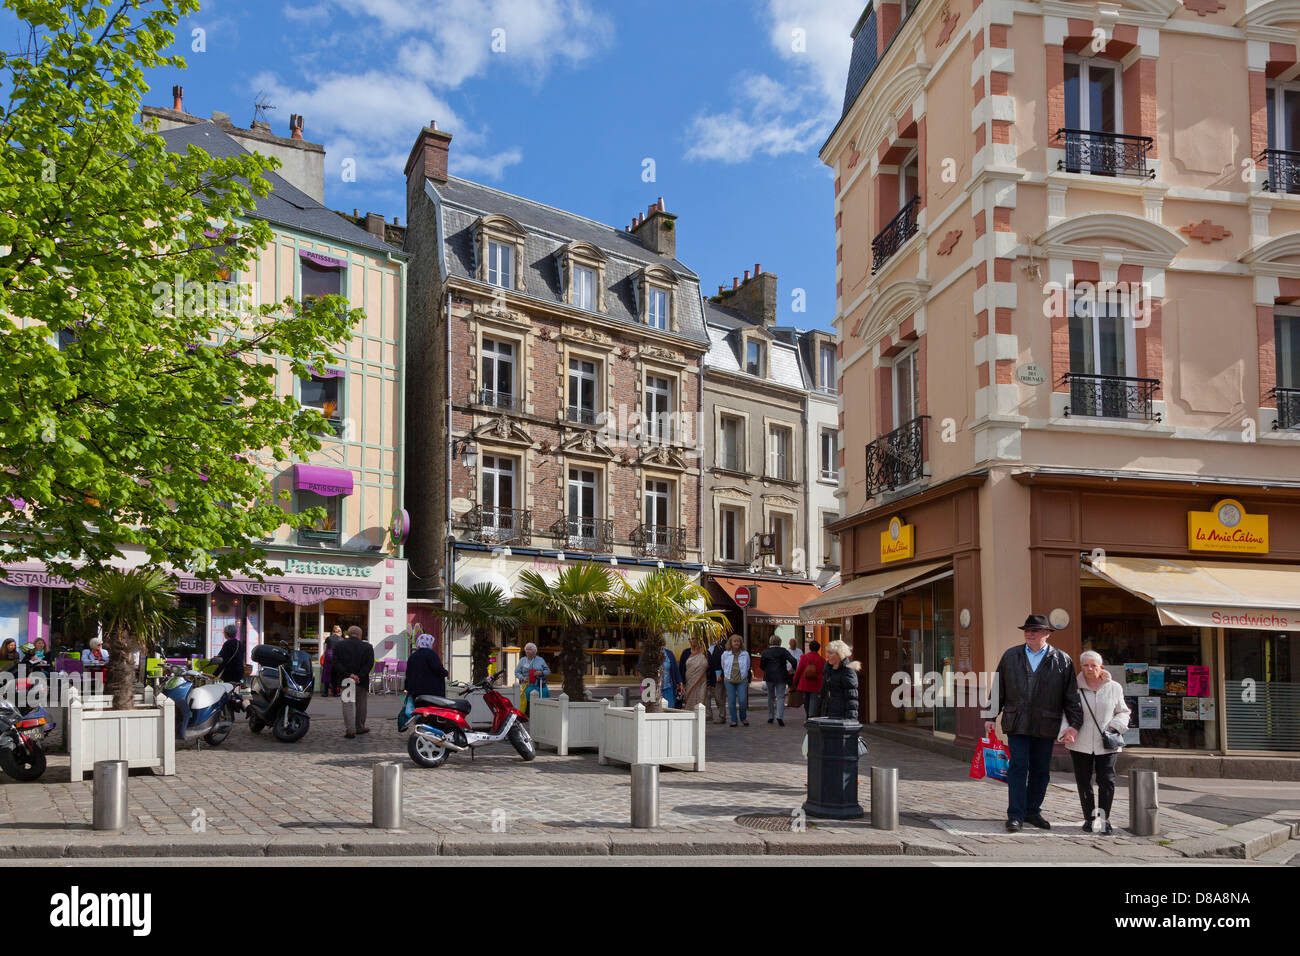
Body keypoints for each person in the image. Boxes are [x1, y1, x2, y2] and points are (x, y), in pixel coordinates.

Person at [986, 614, 1084, 833]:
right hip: (1017, 721)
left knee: (1041, 770)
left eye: (1035, 630)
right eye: (1027, 630)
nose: (1029, 633)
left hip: (1046, 722)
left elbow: (1071, 695)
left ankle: (1032, 811)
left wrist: (1074, 724)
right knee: (1018, 766)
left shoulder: (1062, 659)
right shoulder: (1011, 655)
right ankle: (1015, 814)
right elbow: (998, 687)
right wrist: (990, 717)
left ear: (1047, 634)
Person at [1063, 651, 1130, 835]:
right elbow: (1065, 712)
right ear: (1081, 667)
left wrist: (1115, 727)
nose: (1089, 669)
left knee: (1106, 781)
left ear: (1101, 667)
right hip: (1080, 742)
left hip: (1106, 742)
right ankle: (1089, 818)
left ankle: (1105, 819)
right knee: (1084, 781)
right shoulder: (1073, 688)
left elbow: (1123, 711)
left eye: (1093, 665)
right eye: (1085, 665)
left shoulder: (1114, 687)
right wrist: (1065, 731)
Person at [333, 625, 375, 739]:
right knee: (361, 705)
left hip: (346, 680)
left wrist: (348, 675)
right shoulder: (367, 647)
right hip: (361, 681)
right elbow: (369, 664)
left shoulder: (339, 646)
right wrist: (358, 676)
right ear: (360, 635)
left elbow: (336, 663)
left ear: (348, 634)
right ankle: (360, 727)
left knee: (348, 705)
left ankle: (350, 729)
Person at [820, 639, 860, 719]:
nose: (827, 655)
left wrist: (851, 719)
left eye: (830, 653)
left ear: (839, 654)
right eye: (828, 652)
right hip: (828, 713)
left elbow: (851, 698)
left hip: (841, 716)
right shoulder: (828, 669)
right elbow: (824, 693)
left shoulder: (848, 671)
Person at [760, 636, 794, 726]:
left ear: (770, 642)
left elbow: (761, 665)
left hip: (769, 677)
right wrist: (793, 669)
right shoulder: (783, 651)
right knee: (780, 697)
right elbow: (793, 660)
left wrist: (767, 669)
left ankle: (771, 717)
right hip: (781, 676)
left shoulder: (766, 652)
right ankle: (780, 717)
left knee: (770, 697)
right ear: (780, 642)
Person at [404, 631, 448, 700]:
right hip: (431, 692)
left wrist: (408, 688)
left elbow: (408, 673)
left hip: (415, 693)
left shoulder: (412, 656)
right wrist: (445, 673)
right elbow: (438, 669)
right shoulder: (431, 654)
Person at [720, 634, 751, 727]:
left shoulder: (745, 654)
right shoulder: (725, 654)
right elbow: (723, 665)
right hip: (729, 680)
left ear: (741, 643)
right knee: (731, 701)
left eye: (738, 641)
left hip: (742, 681)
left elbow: (748, 665)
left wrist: (744, 674)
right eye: (735, 641)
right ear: (731, 643)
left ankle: (743, 717)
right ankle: (734, 720)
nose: (737, 643)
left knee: (742, 700)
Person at [515, 642, 550, 711]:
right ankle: (528, 713)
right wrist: (522, 678)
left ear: (534, 651)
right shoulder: (522, 660)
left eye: (530, 649)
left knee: (544, 694)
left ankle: (541, 711)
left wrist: (541, 673)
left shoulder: (540, 660)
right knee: (528, 695)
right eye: (526, 649)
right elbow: (517, 672)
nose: (527, 651)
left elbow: (548, 671)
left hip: (540, 684)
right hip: (528, 684)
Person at [794, 640, 824, 717]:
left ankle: (808, 714)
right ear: (818, 649)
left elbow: (799, 670)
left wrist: (794, 680)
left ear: (810, 648)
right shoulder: (822, 659)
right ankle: (811, 715)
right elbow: (824, 672)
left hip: (805, 682)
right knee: (813, 699)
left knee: (806, 699)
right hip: (816, 683)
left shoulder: (804, 657)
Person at [681, 636, 711, 712]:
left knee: (701, 700)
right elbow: (681, 668)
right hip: (689, 683)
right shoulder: (686, 653)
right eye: (689, 639)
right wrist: (681, 683)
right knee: (690, 701)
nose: (691, 640)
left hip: (702, 682)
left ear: (699, 639)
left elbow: (711, 668)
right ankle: (690, 718)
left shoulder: (706, 653)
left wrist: (712, 683)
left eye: (693, 638)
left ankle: (700, 719)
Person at [321, 625, 344, 697]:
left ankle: (325, 693)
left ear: (333, 631)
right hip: (337, 657)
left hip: (328, 656)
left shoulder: (328, 638)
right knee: (335, 675)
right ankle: (335, 693)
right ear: (340, 632)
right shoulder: (342, 639)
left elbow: (324, 649)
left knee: (327, 674)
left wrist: (326, 655)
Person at [659, 645, 682, 709]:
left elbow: (675, 669)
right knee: (656, 710)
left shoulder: (669, 653)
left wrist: (680, 682)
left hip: (668, 688)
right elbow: (641, 668)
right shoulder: (648, 653)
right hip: (655, 689)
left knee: (670, 709)